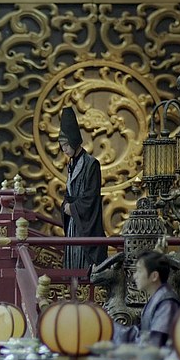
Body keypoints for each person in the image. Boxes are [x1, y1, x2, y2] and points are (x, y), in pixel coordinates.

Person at [59, 107, 107, 270]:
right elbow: (68, 193)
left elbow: (91, 197)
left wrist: (72, 208)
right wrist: (66, 205)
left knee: (84, 264)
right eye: (62, 146)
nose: (64, 149)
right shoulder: (71, 164)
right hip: (74, 222)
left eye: (66, 145)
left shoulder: (91, 164)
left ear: (73, 141)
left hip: (85, 222)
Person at [113, 250, 180, 347]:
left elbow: (155, 342)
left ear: (154, 276)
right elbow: (143, 332)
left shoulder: (167, 303)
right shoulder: (158, 298)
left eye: (139, 271)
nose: (135, 276)